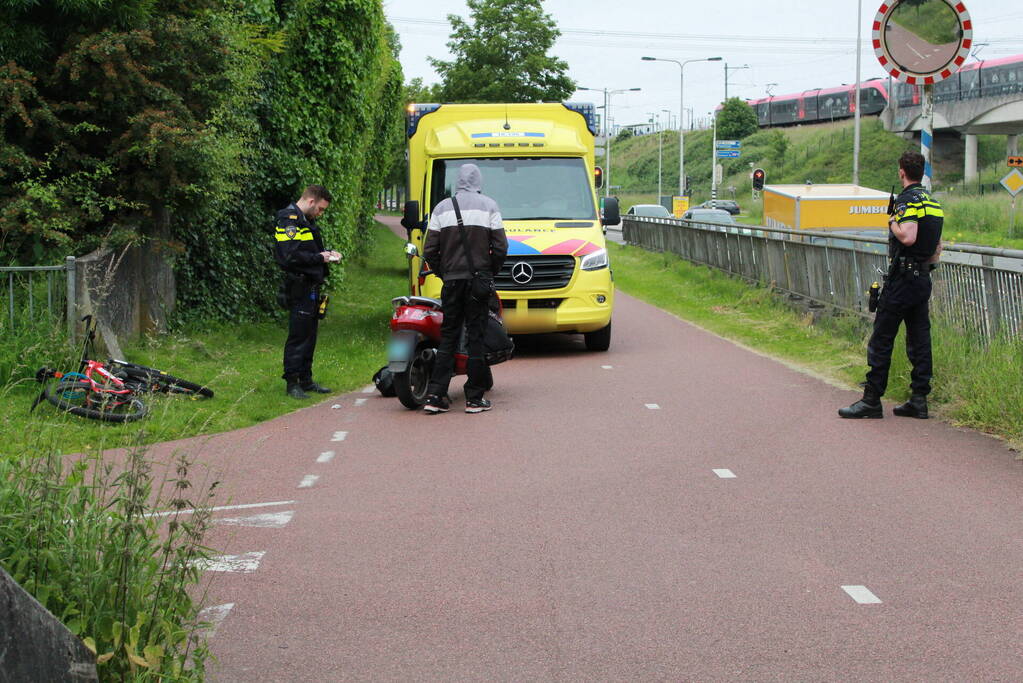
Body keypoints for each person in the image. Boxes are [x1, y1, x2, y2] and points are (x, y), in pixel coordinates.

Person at [839, 151, 943, 419]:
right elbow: (936, 248)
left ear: (901, 172)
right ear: (922, 171)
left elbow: (907, 236)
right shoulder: (932, 203)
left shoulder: (906, 201)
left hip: (903, 280)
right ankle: (919, 400)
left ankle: (871, 400)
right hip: (922, 279)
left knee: (882, 338)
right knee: (920, 340)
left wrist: (892, 221)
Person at [422, 164, 508, 414]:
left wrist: (443, 272)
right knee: (476, 337)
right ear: (478, 181)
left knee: (448, 336)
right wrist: (489, 271)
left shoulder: (441, 207)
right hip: (478, 281)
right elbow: (501, 247)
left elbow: (429, 251)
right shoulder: (489, 206)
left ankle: (436, 395)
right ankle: (474, 397)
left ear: (457, 181)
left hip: (451, 281)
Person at [274, 185, 342, 400]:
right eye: (320, 209)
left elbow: (308, 251)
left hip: (311, 286)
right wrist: (321, 258)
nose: (320, 214)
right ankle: (292, 383)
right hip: (299, 286)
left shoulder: (305, 221)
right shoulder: (289, 220)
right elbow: (289, 257)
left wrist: (327, 254)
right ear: (311, 201)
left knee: (309, 335)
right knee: (299, 336)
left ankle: (306, 379)